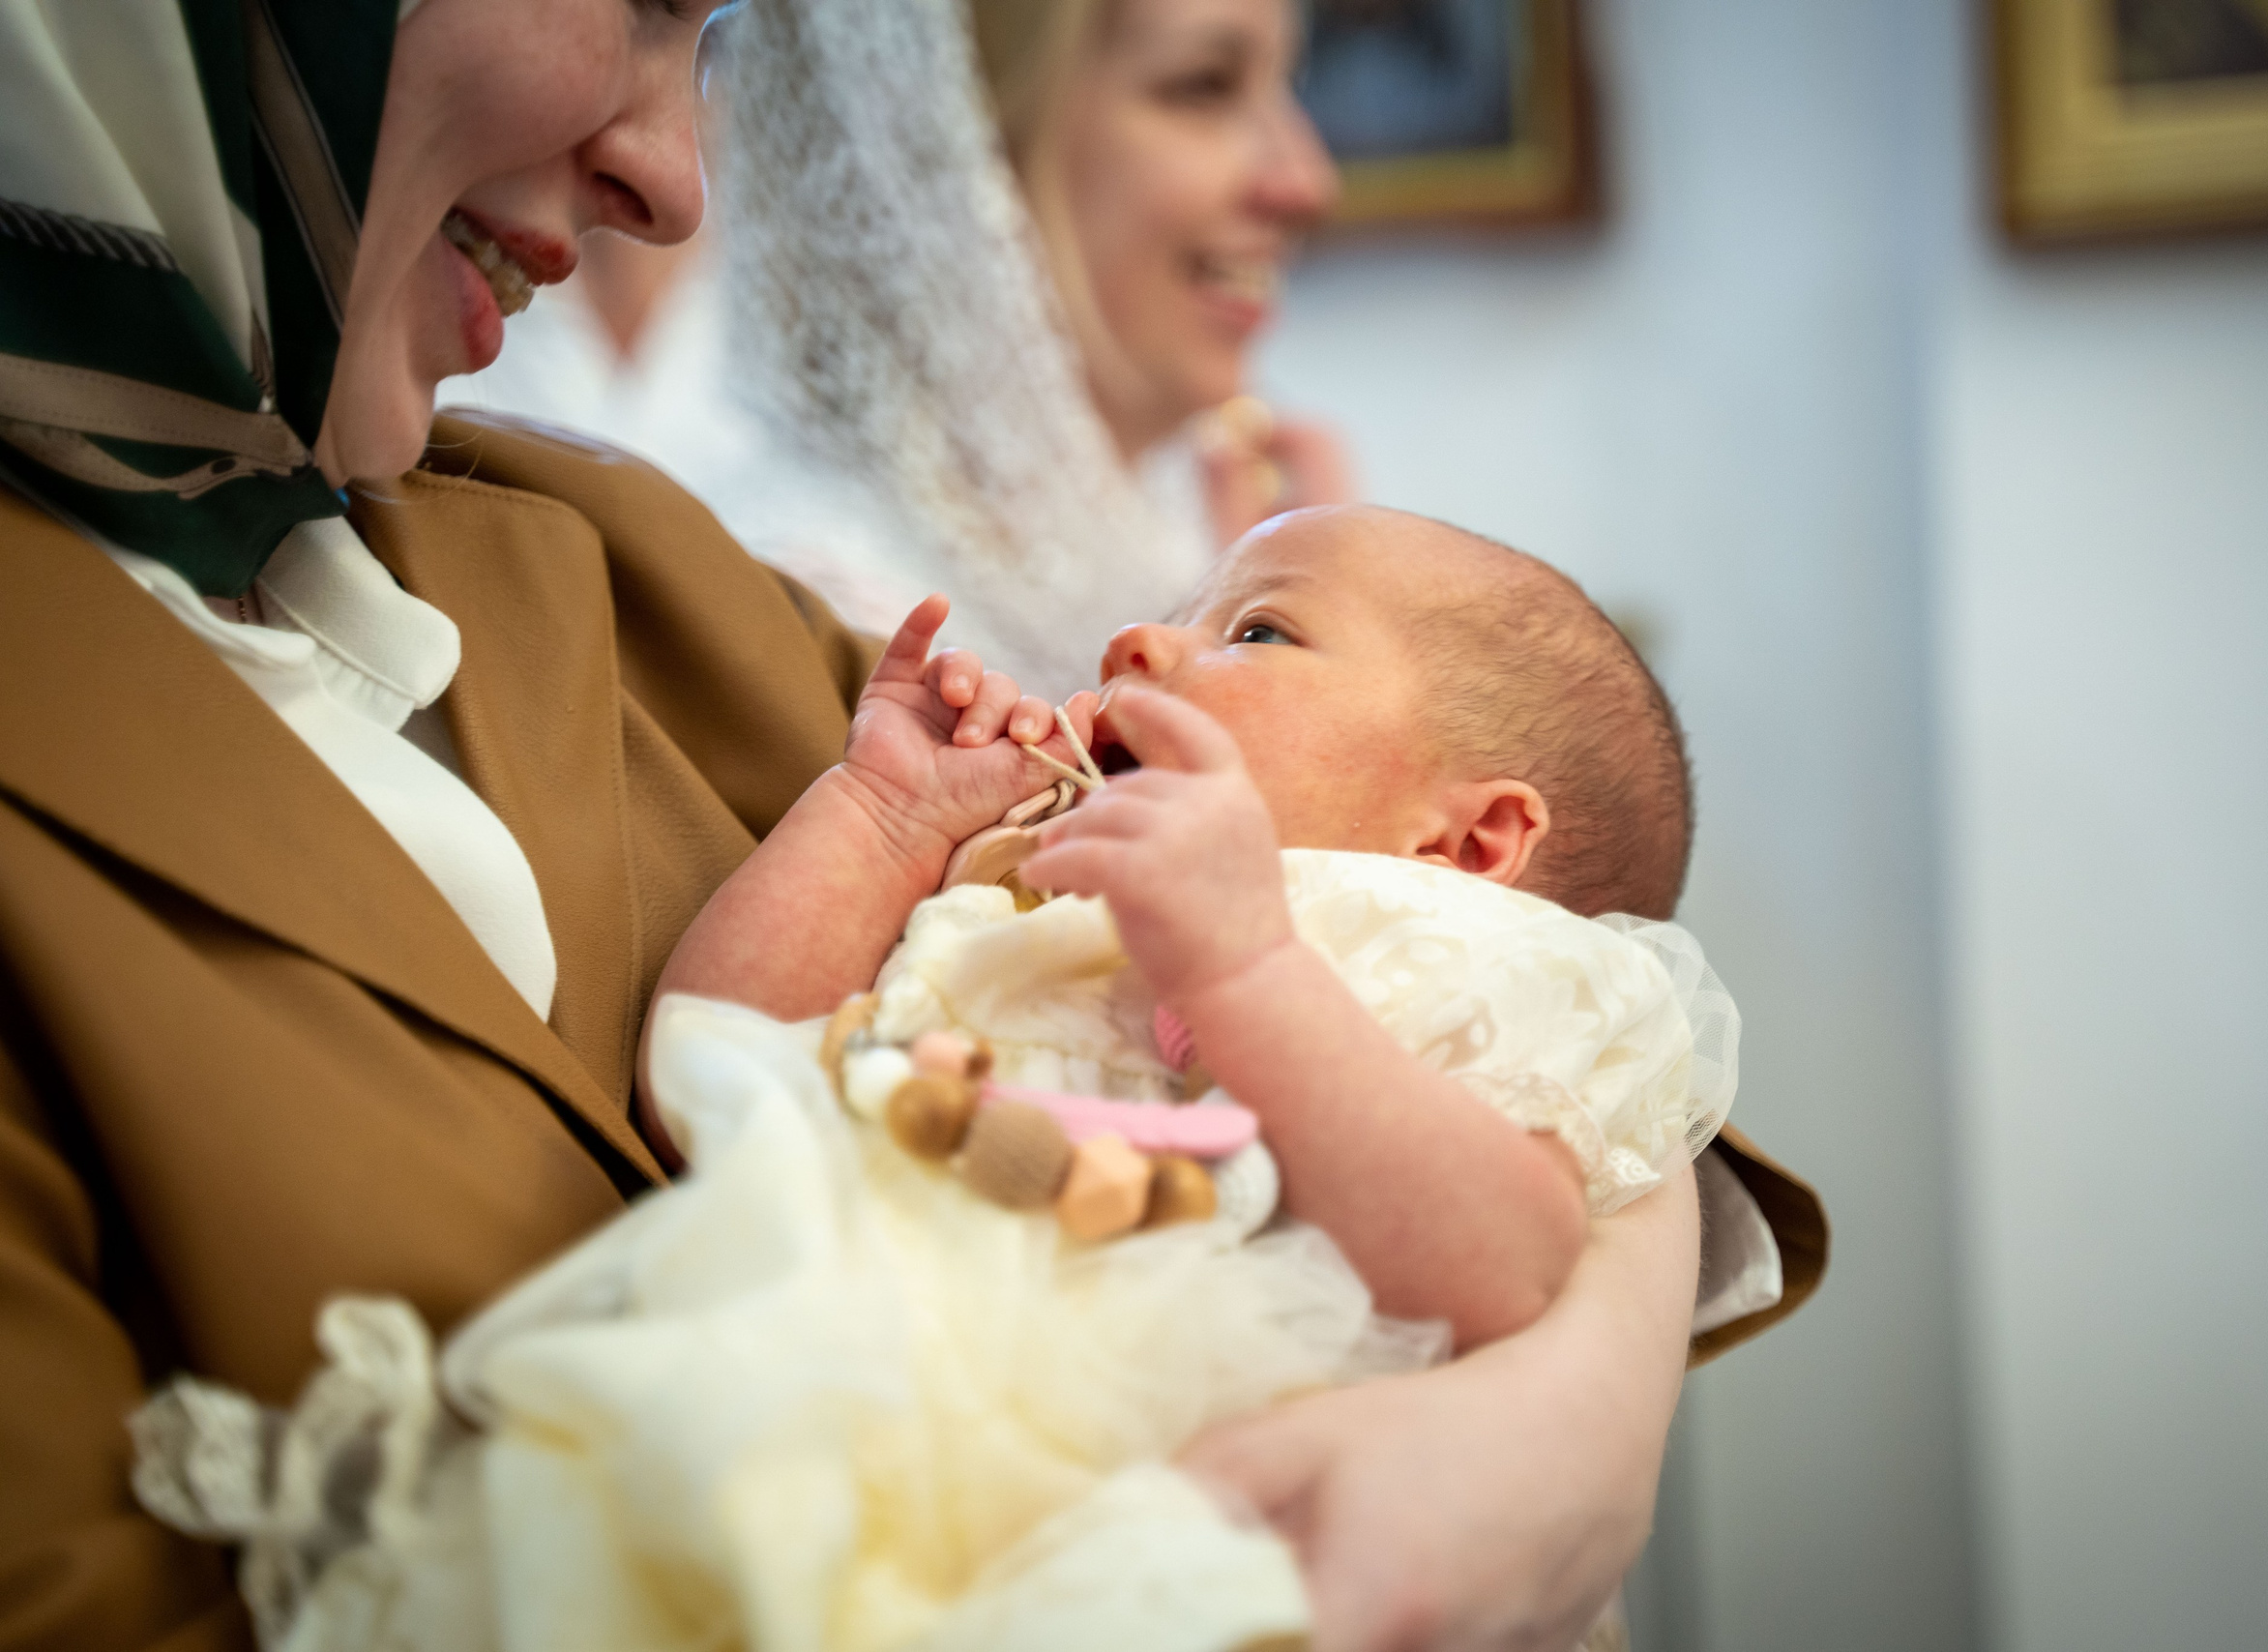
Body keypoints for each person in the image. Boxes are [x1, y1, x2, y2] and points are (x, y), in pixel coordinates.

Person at [0, 7, 1821, 1652]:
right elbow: (712, 1059)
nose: (674, 180)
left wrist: (1561, 1429)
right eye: (629, 4)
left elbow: (1566, 1043)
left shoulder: (619, 556)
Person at [130, 506, 1749, 1651]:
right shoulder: (1032, 882)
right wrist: (886, 824)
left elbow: (1504, 1262)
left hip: (1222, 1504)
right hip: (854, 1433)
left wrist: (1251, 963)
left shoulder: (1439, 949)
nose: (1146, 638)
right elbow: (711, 1075)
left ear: (1471, 837)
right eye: (1193, 607)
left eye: (1258, 630)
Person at [451, 0, 1357, 690]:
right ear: (946, 147)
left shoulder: (1196, 541)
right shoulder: (821, 627)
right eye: (1205, 85)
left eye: (1289, 86)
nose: (1307, 181)